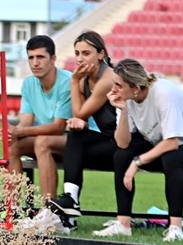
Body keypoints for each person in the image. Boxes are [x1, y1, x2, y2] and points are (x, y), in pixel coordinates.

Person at [98, 58, 183, 242]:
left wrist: (137, 163)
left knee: (171, 157)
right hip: (163, 146)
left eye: (118, 85)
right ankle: (123, 224)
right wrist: (123, 111)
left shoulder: (163, 92)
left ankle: (176, 228)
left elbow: (172, 142)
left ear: (136, 88)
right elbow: (122, 143)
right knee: (121, 155)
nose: (113, 90)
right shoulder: (126, 99)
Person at [47, 31, 144, 227]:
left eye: (86, 53)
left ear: (101, 54)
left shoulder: (108, 78)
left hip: (130, 142)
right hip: (110, 140)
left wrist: (73, 81)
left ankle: (74, 211)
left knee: (80, 143)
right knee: (76, 137)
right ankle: (70, 199)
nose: (80, 59)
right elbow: (79, 115)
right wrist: (79, 119)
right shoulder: (84, 80)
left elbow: (80, 112)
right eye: (77, 53)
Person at [2, 35, 72, 207]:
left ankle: (50, 209)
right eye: (31, 58)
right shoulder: (28, 84)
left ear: (53, 59)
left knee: (42, 142)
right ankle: (13, 208)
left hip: (76, 141)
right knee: (13, 144)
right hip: (50, 140)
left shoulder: (67, 82)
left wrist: (19, 131)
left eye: (40, 57)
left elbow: (58, 127)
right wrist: (11, 133)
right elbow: (25, 122)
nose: (35, 63)